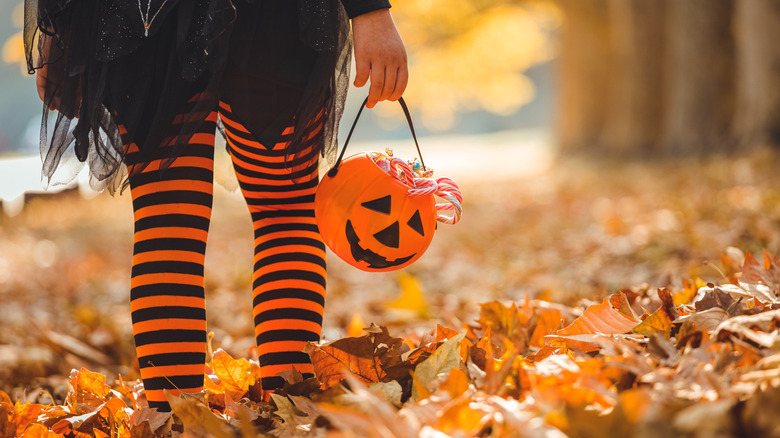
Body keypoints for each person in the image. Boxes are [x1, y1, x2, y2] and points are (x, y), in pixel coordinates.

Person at [25, 0, 408, 412]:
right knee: (282, 214)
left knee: (171, 222)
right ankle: (287, 410)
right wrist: (370, 11)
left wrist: (58, 29)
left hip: (148, 16)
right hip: (252, 17)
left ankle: (175, 418)